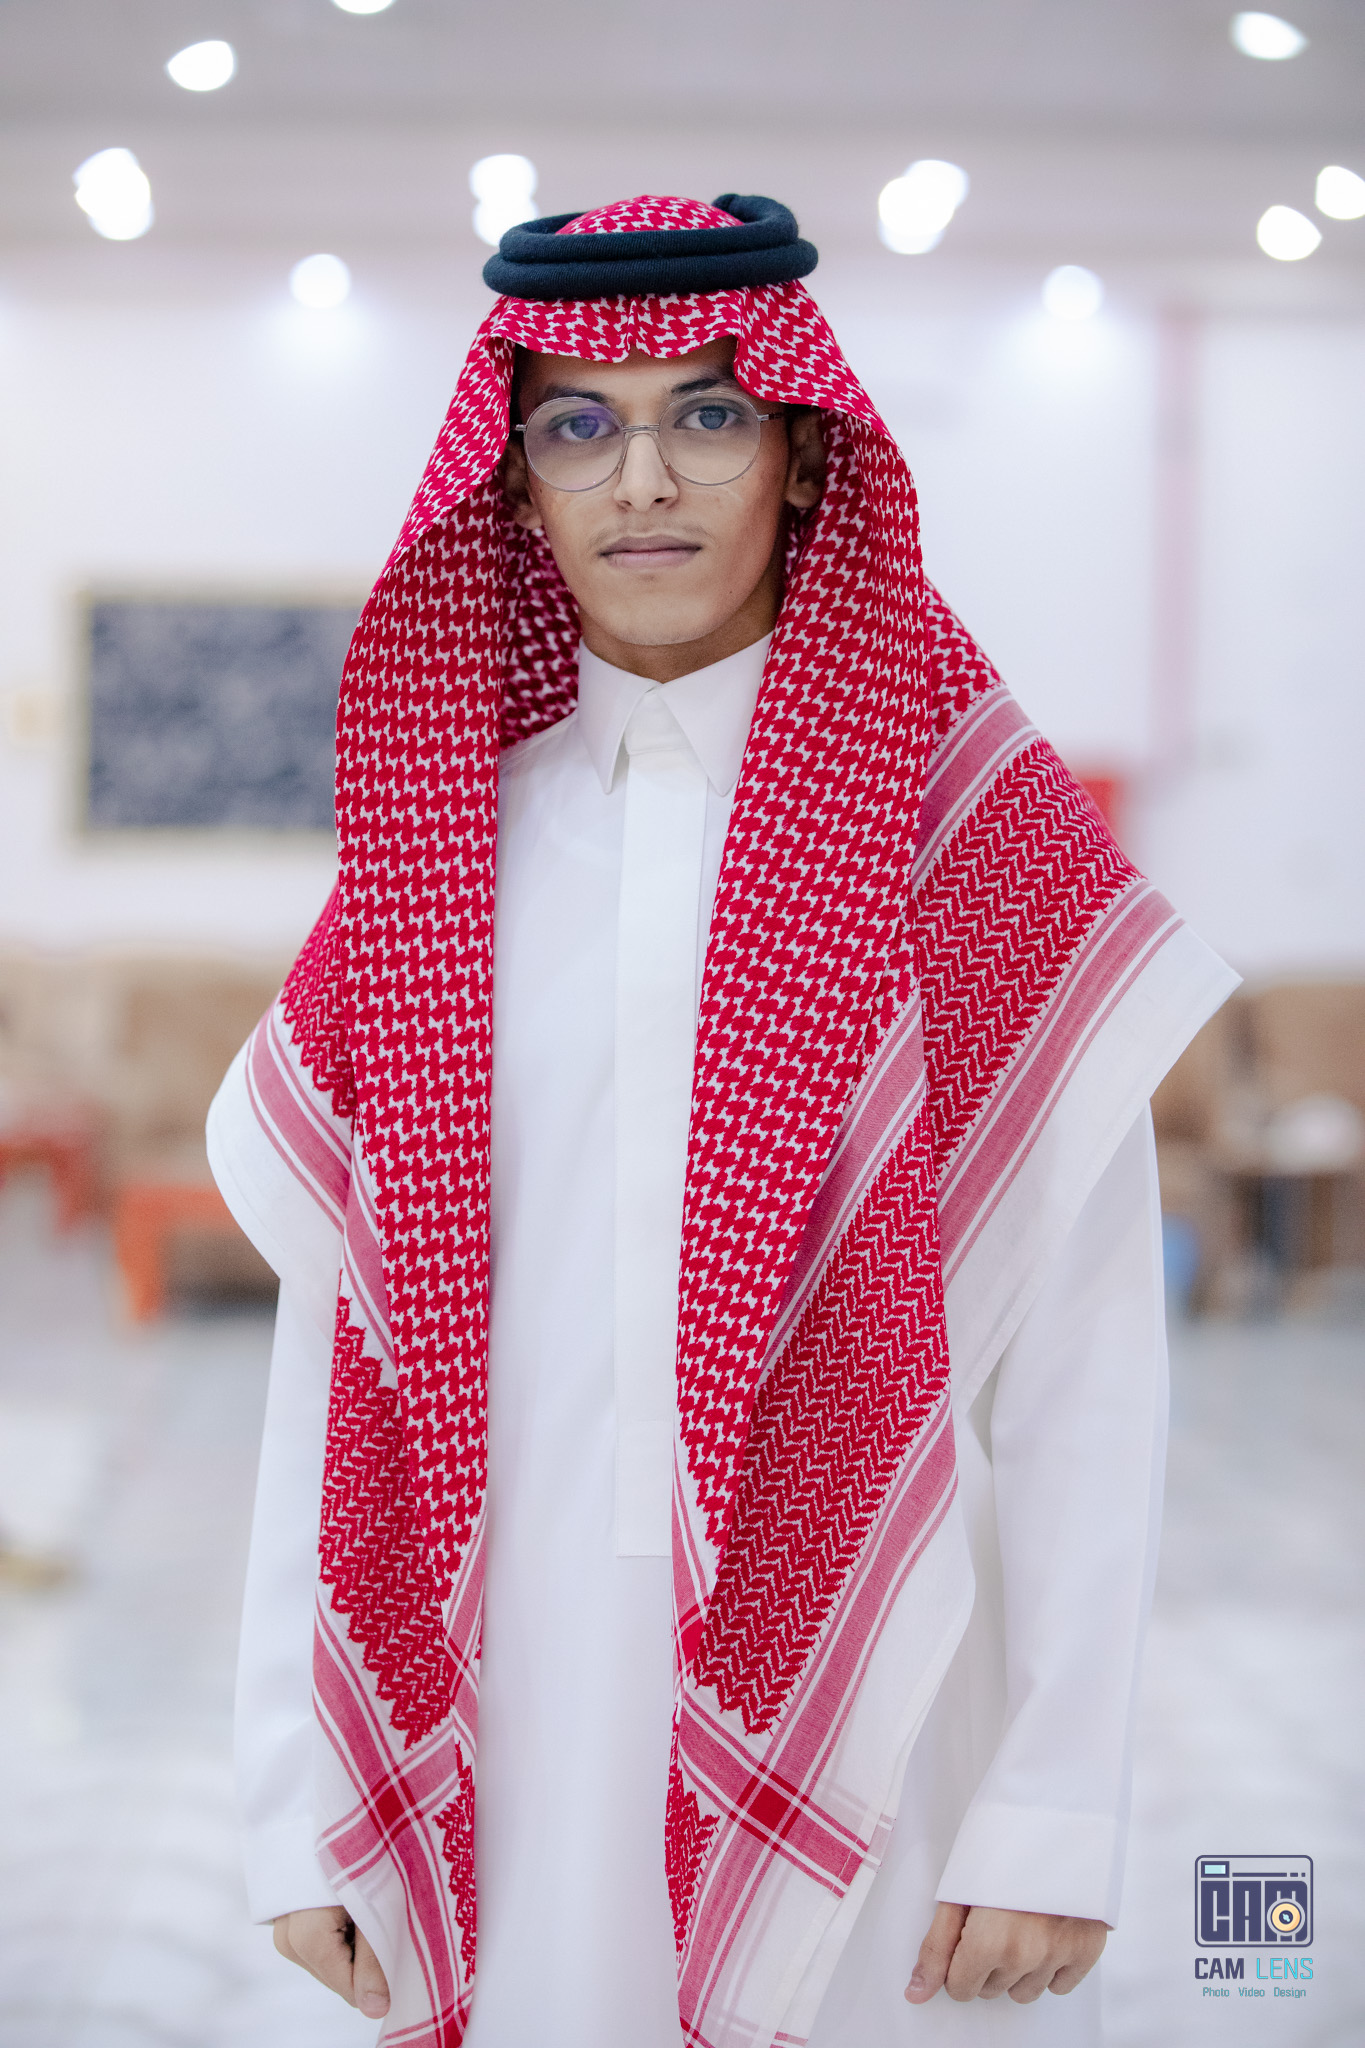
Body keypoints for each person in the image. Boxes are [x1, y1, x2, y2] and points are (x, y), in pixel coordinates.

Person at [208, 194, 1236, 2047]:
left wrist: (1052, 1803)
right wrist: (298, 1793)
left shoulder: (966, 845)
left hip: (890, 1718)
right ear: (515, 483)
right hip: (495, 1716)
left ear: (800, 453)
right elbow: (332, 1364)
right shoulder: (440, 853)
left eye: (705, 413)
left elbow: (1085, 1368)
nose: (642, 479)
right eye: (577, 425)